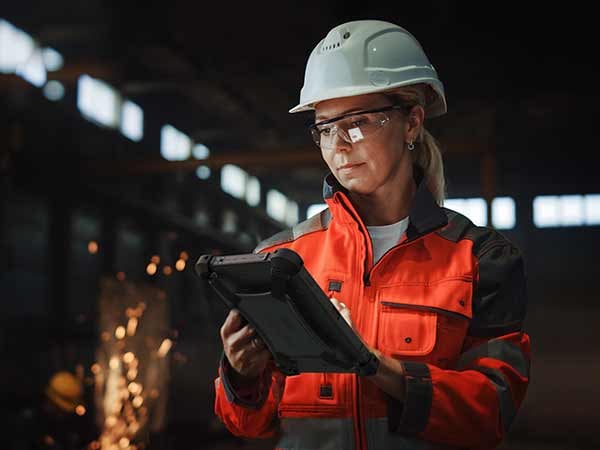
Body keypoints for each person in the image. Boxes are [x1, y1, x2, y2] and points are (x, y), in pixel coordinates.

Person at [214, 19, 531, 449]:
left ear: (412, 123)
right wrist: (240, 374)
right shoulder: (281, 259)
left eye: (357, 122)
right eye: (325, 128)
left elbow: (490, 413)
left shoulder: (480, 259)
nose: (338, 145)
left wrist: (373, 364)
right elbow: (248, 425)